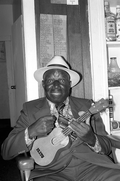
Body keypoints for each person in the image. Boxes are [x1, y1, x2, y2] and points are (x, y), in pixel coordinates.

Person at [1, 55, 120, 181]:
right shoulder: (30, 110)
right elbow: (6, 151)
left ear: (69, 85)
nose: (56, 85)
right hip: (51, 173)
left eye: (62, 81)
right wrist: (30, 132)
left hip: (92, 168)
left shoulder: (87, 106)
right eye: (50, 80)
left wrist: (91, 139)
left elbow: (106, 147)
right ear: (43, 84)